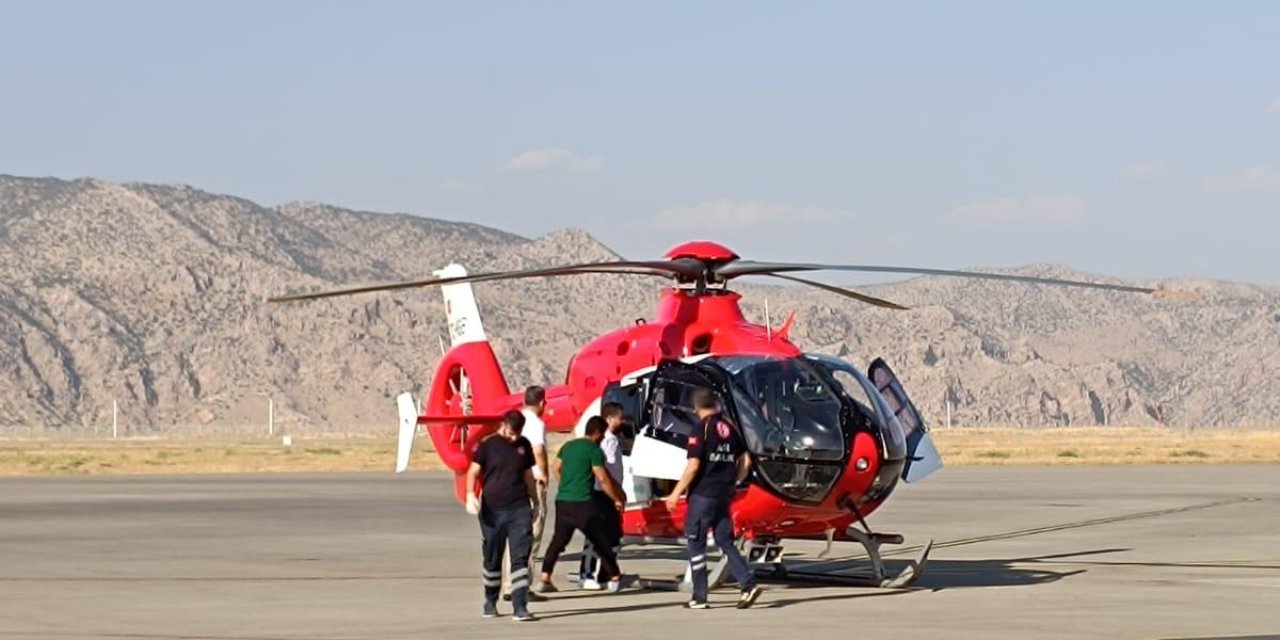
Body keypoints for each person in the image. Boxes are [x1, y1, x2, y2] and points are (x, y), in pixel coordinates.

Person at [664, 387, 763, 610]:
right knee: (725, 541)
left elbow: (694, 466)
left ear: (696, 407)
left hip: (703, 495)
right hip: (724, 495)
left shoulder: (701, 429)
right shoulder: (730, 428)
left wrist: (675, 492)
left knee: (696, 542)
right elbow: (745, 460)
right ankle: (748, 584)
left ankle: (699, 596)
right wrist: (733, 482)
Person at [535, 416, 627, 593]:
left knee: (558, 541)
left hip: (563, 501)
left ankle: (545, 577)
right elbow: (602, 477)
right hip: (584, 502)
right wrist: (615, 498)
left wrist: (564, 485)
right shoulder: (594, 450)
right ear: (598, 433)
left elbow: (555, 467)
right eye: (602, 435)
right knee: (600, 540)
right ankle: (615, 577)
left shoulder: (568, 446)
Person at [466, 410, 538, 621]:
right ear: (503, 425)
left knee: (520, 559)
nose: (515, 437)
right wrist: (471, 495)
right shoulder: (488, 445)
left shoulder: (524, 445)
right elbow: (472, 471)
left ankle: (520, 606)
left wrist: (536, 501)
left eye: (518, 433)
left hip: (519, 509)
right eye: (511, 432)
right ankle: (490, 600)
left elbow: (528, 476)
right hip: (493, 510)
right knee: (492, 558)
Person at [503, 386, 549, 602]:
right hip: (534, 481)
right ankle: (523, 586)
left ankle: (509, 584)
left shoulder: (516, 420)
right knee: (532, 533)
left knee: (514, 535)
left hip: (513, 482)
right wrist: (544, 473)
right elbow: (538, 450)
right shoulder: (536, 424)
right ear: (541, 402)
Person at [577, 402, 627, 587]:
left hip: (604, 491)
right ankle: (591, 573)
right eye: (619, 418)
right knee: (602, 535)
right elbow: (605, 472)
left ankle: (603, 572)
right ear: (609, 418)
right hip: (603, 493)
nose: (622, 421)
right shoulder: (609, 441)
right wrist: (617, 495)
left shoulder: (608, 440)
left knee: (610, 535)